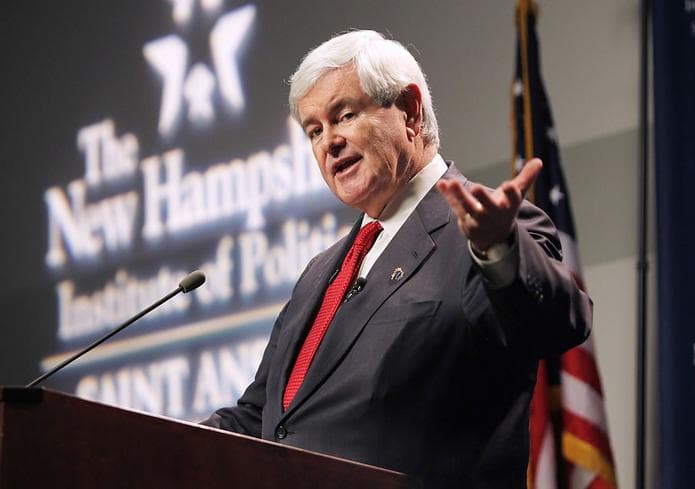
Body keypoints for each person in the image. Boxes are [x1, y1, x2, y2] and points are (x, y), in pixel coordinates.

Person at [203, 30, 591, 489]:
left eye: (344, 115)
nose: (328, 143)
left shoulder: (487, 231)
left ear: (409, 111)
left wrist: (497, 250)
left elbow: (553, 322)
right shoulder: (317, 275)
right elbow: (262, 417)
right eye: (314, 130)